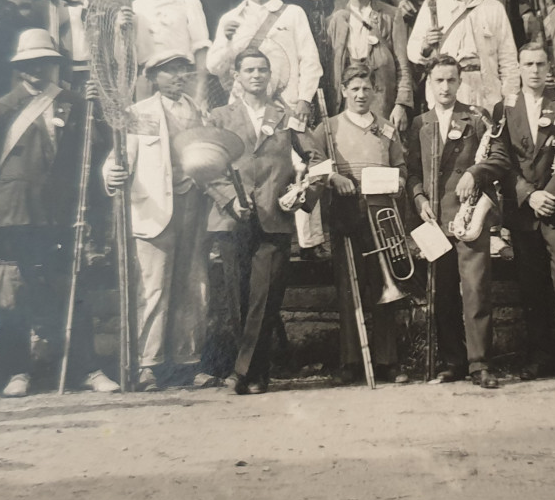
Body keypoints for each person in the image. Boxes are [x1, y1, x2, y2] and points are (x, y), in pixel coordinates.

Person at [0, 29, 118, 397]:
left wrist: (97, 113)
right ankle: (17, 371)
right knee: (15, 295)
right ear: (20, 68)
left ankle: (87, 369)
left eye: (45, 63)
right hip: (13, 215)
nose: (38, 70)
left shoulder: (77, 104)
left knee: (72, 292)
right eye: (30, 64)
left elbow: (94, 153)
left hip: (62, 215)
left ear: (54, 65)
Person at [104, 52, 235, 390]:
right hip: (154, 210)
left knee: (194, 285)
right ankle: (147, 365)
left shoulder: (198, 111)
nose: (178, 77)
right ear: (153, 77)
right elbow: (117, 158)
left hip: (194, 205)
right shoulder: (138, 113)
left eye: (182, 71)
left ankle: (188, 363)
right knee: (153, 285)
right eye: (169, 72)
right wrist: (111, 174)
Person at [205, 49, 325, 393]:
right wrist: (227, 199)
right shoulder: (218, 117)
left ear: (270, 75)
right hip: (233, 218)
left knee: (266, 296)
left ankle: (240, 372)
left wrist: (304, 194)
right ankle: (258, 374)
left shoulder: (286, 117)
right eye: (249, 70)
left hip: (274, 217)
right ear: (237, 77)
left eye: (262, 70)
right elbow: (204, 166)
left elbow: (317, 161)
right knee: (239, 297)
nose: (256, 75)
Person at [406, 54, 511, 387]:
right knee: (443, 293)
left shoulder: (476, 118)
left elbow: (499, 157)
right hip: (434, 220)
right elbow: (410, 172)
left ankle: (480, 363)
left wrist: (474, 172)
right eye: (439, 80)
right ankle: (453, 361)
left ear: (460, 81)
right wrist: (419, 198)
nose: (446, 86)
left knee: (476, 290)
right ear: (430, 83)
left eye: (452, 79)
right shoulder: (419, 124)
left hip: (468, 219)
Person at [314, 62, 409, 383]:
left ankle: (387, 360)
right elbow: (312, 168)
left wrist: (399, 182)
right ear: (342, 91)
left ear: (375, 91)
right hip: (346, 216)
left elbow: (401, 168)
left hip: (381, 218)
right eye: (354, 89)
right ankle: (351, 362)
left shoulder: (385, 128)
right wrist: (332, 177)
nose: (360, 94)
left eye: (366, 88)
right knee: (348, 289)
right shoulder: (328, 127)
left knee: (384, 286)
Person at [497, 42, 555, 379]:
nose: (534, 70)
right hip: (524, 211)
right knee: (531, 285)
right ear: (518, 67)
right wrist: (528, 195)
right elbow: (502, 161)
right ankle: (539, 357)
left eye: (540, 64)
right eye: (528, 64)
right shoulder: (504, 108)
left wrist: (550, 196)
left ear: (550, 68)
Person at [207, 0, 323, 124]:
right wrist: (227, 40)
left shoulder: (293, 13)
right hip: (244, 111)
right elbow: (214, 67)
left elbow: (310, 61)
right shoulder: (230, 19)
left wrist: (304, 99)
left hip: (286, 108)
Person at [408, 0, 520, 112]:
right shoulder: (435, 5)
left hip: (486, 96)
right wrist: (425, 46)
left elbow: (509, 61)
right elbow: (413, 51)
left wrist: (509, 102)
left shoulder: (494, 8)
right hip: (446, 94)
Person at [327, 0, 413, 135]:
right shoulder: (336, 20)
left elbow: (402, 65)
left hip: (382, 101)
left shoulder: (390, 15)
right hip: (348, 102)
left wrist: (401, 104)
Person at [130, 0, 211, 103]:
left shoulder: (186, 1)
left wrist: (200, 93)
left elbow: (201, 50)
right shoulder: (134, 8)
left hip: (182, 79)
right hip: (148, 83)